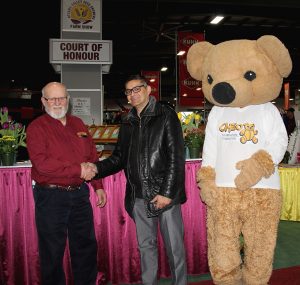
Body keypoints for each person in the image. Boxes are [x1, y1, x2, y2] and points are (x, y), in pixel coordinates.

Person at [92, 74, 188, 284]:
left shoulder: (166, 115)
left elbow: (176, 157)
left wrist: (167, 193)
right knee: (146, 248)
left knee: (175, 249)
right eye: (129, 91)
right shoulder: (127, 122)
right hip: (138, 197)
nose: (133, 94)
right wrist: (94, 169)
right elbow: (118, 158)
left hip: (165, 196)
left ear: (148, 89)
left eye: (137, 89)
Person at [26, 82, 106, 285]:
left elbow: (92, 156)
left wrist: (97, 186)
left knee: (86, 247)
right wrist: (78, 169)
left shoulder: (78, 123)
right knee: (52, 252)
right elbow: (43, 164)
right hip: (51, 197)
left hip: (80, 194)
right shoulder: (36, 128)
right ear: (43, 101)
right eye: (52, 98)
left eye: (61, 98)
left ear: (68, 100)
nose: (57, 102)